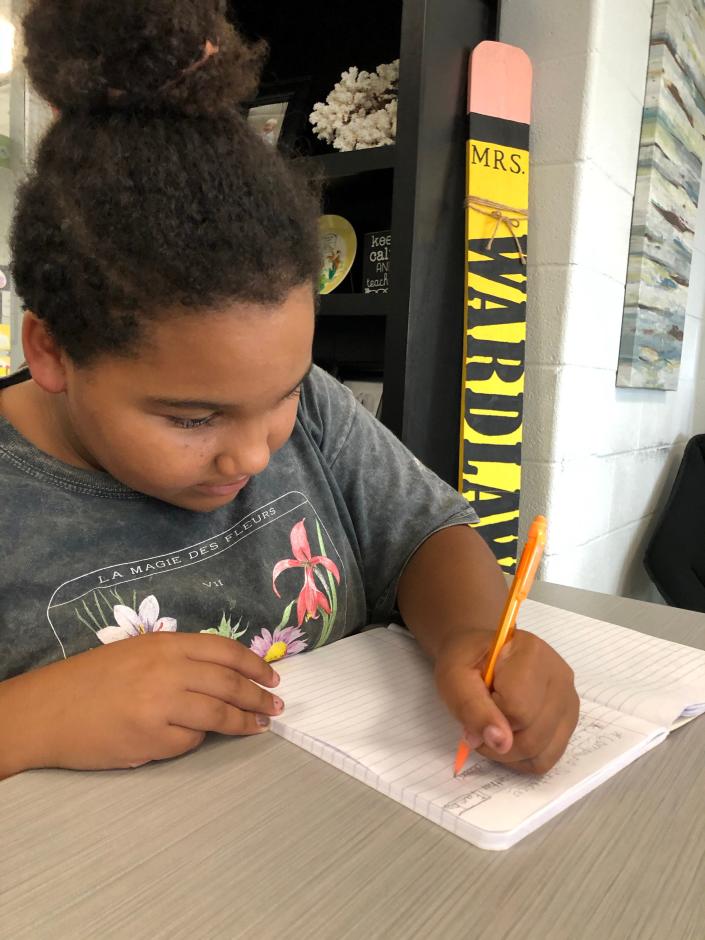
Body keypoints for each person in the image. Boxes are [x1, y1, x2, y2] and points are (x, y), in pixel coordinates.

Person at [0, 0, 578, 780]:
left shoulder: (317, 419)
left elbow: (426, 535)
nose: (251, 451)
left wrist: (474, 637)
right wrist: (31, 720)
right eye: (193, 417)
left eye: (284, 392)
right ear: (53, 351)